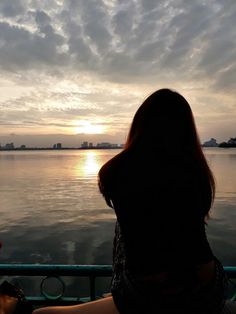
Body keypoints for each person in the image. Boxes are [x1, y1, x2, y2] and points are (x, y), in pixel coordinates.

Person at [33, 89, 230, 314]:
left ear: (139, 127)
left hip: (146, 293)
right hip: (204, 287)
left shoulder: (118, 173)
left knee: (40, 313)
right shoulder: (196, 173)